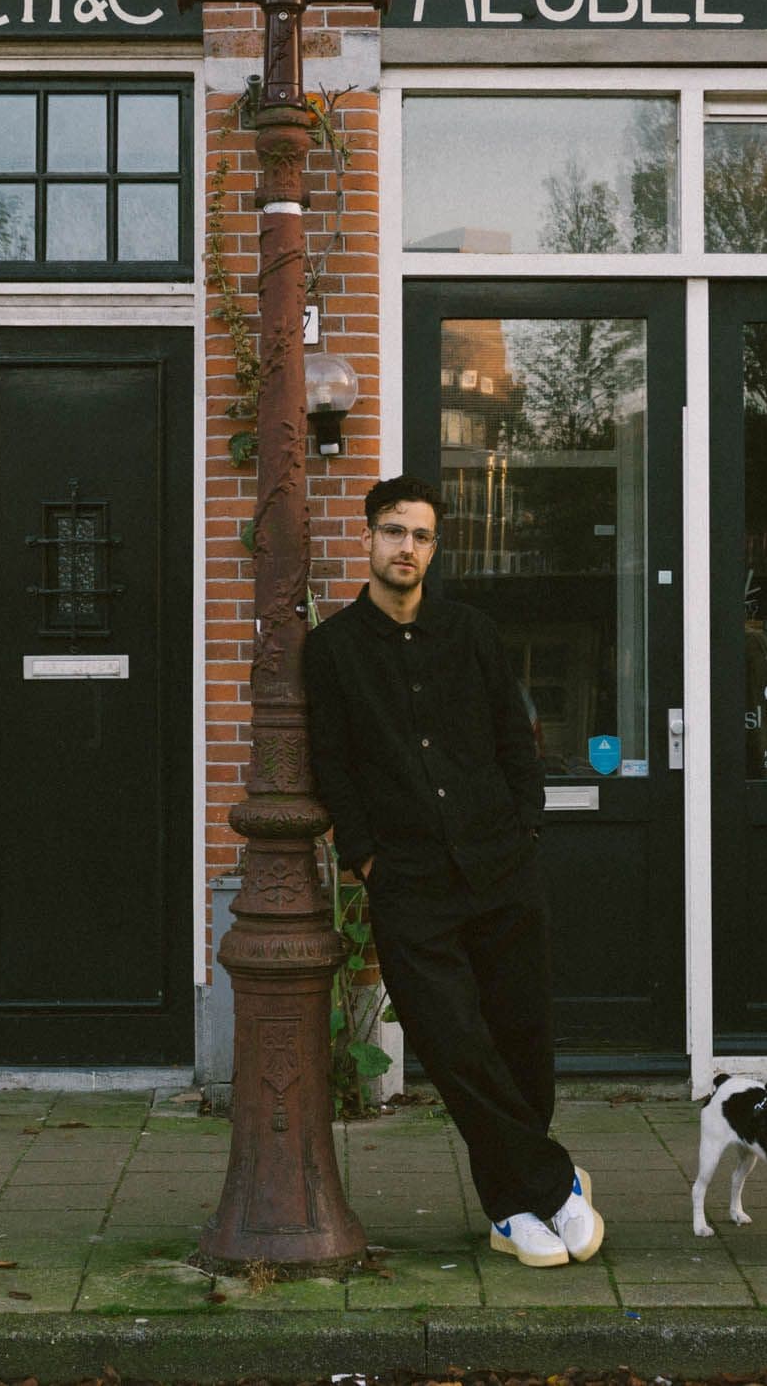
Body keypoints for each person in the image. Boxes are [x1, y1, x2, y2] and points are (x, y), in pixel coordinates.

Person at [302, 474, 604, 1270]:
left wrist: (525, 826)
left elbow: (516, 735)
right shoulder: (331, 650)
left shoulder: (471, 632)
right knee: (455, 1043)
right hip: (407, 879)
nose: (407, 547)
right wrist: (367, 857)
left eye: (422, 535)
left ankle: (510, 1209)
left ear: (436, 547)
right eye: (394, 531)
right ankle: (549, 1182)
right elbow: (331, 763)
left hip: (500, 864)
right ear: (369, 538)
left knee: (522, 1037)